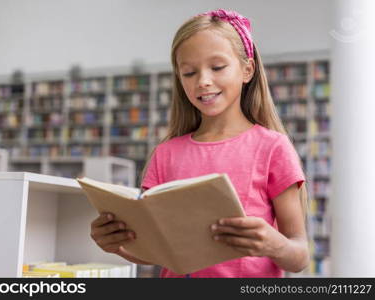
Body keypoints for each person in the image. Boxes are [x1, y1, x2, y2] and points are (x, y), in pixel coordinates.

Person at [90, 8, 309, 278]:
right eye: (189, 73)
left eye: (217, 67)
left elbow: (299, 257)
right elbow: (155, 252)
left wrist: (274, 245)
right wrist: (118, 244)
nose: (203, 81)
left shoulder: (272, 147)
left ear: (247, 69)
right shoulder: (166, 153)